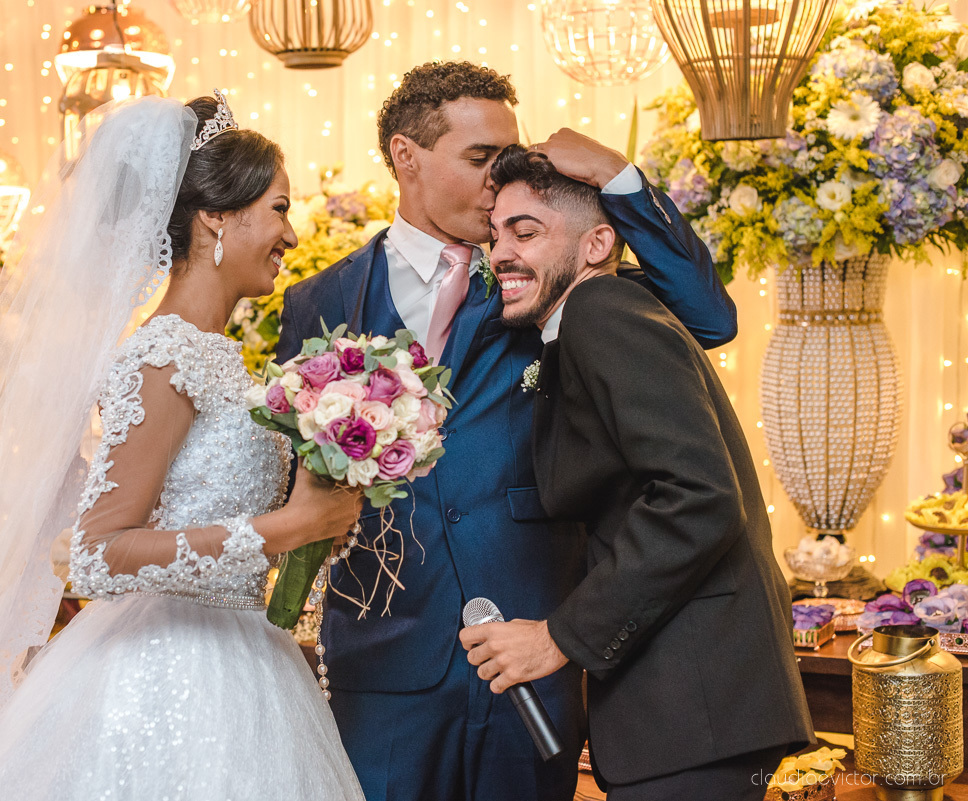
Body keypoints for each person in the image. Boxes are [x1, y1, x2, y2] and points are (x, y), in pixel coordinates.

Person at [0, 94, 366, 801]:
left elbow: (209, 515)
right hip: (169, 675)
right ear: (216, 216)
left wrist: (315, 527)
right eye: (279, 207)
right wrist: (284, 527)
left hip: (248, 657)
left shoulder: (220, 356)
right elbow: (98, 552)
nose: (290, 230)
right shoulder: (162, 356)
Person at [276, 60, 738, 801]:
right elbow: (297, 470)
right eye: (479, 158)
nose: (503, 177)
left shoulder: (545, 270)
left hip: (535, 641)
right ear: (406, 156)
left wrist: (620, 179)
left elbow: (709, 316)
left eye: (508, 153)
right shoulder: (319, 300)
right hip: (384, 654)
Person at [459, 145, 813, 801]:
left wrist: (559, 637)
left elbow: (699, 497)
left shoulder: (603, 311)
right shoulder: (591, 321)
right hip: (701, 711)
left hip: (695, 704)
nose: (500, 251)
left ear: (598, 243)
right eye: (494, 233)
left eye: (526, 230)